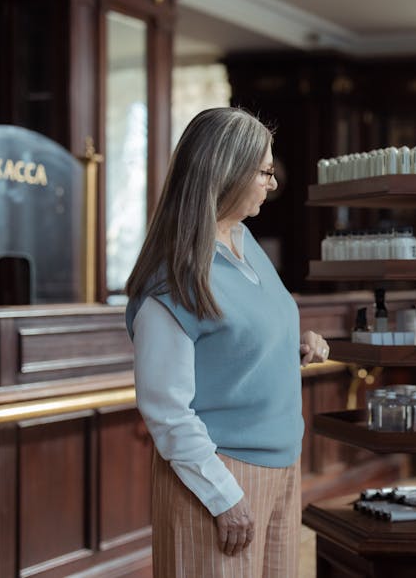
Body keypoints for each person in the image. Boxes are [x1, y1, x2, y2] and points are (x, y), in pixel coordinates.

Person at [124, 107, 329, 576]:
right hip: (219, 478)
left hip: (283, 467)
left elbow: (235, 347)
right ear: (227, 173)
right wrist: (224, 497)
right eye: (264, 171)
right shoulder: (172, 282)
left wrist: (295, 344)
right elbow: (166, 410)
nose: (272, 183)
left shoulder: (245, 242)